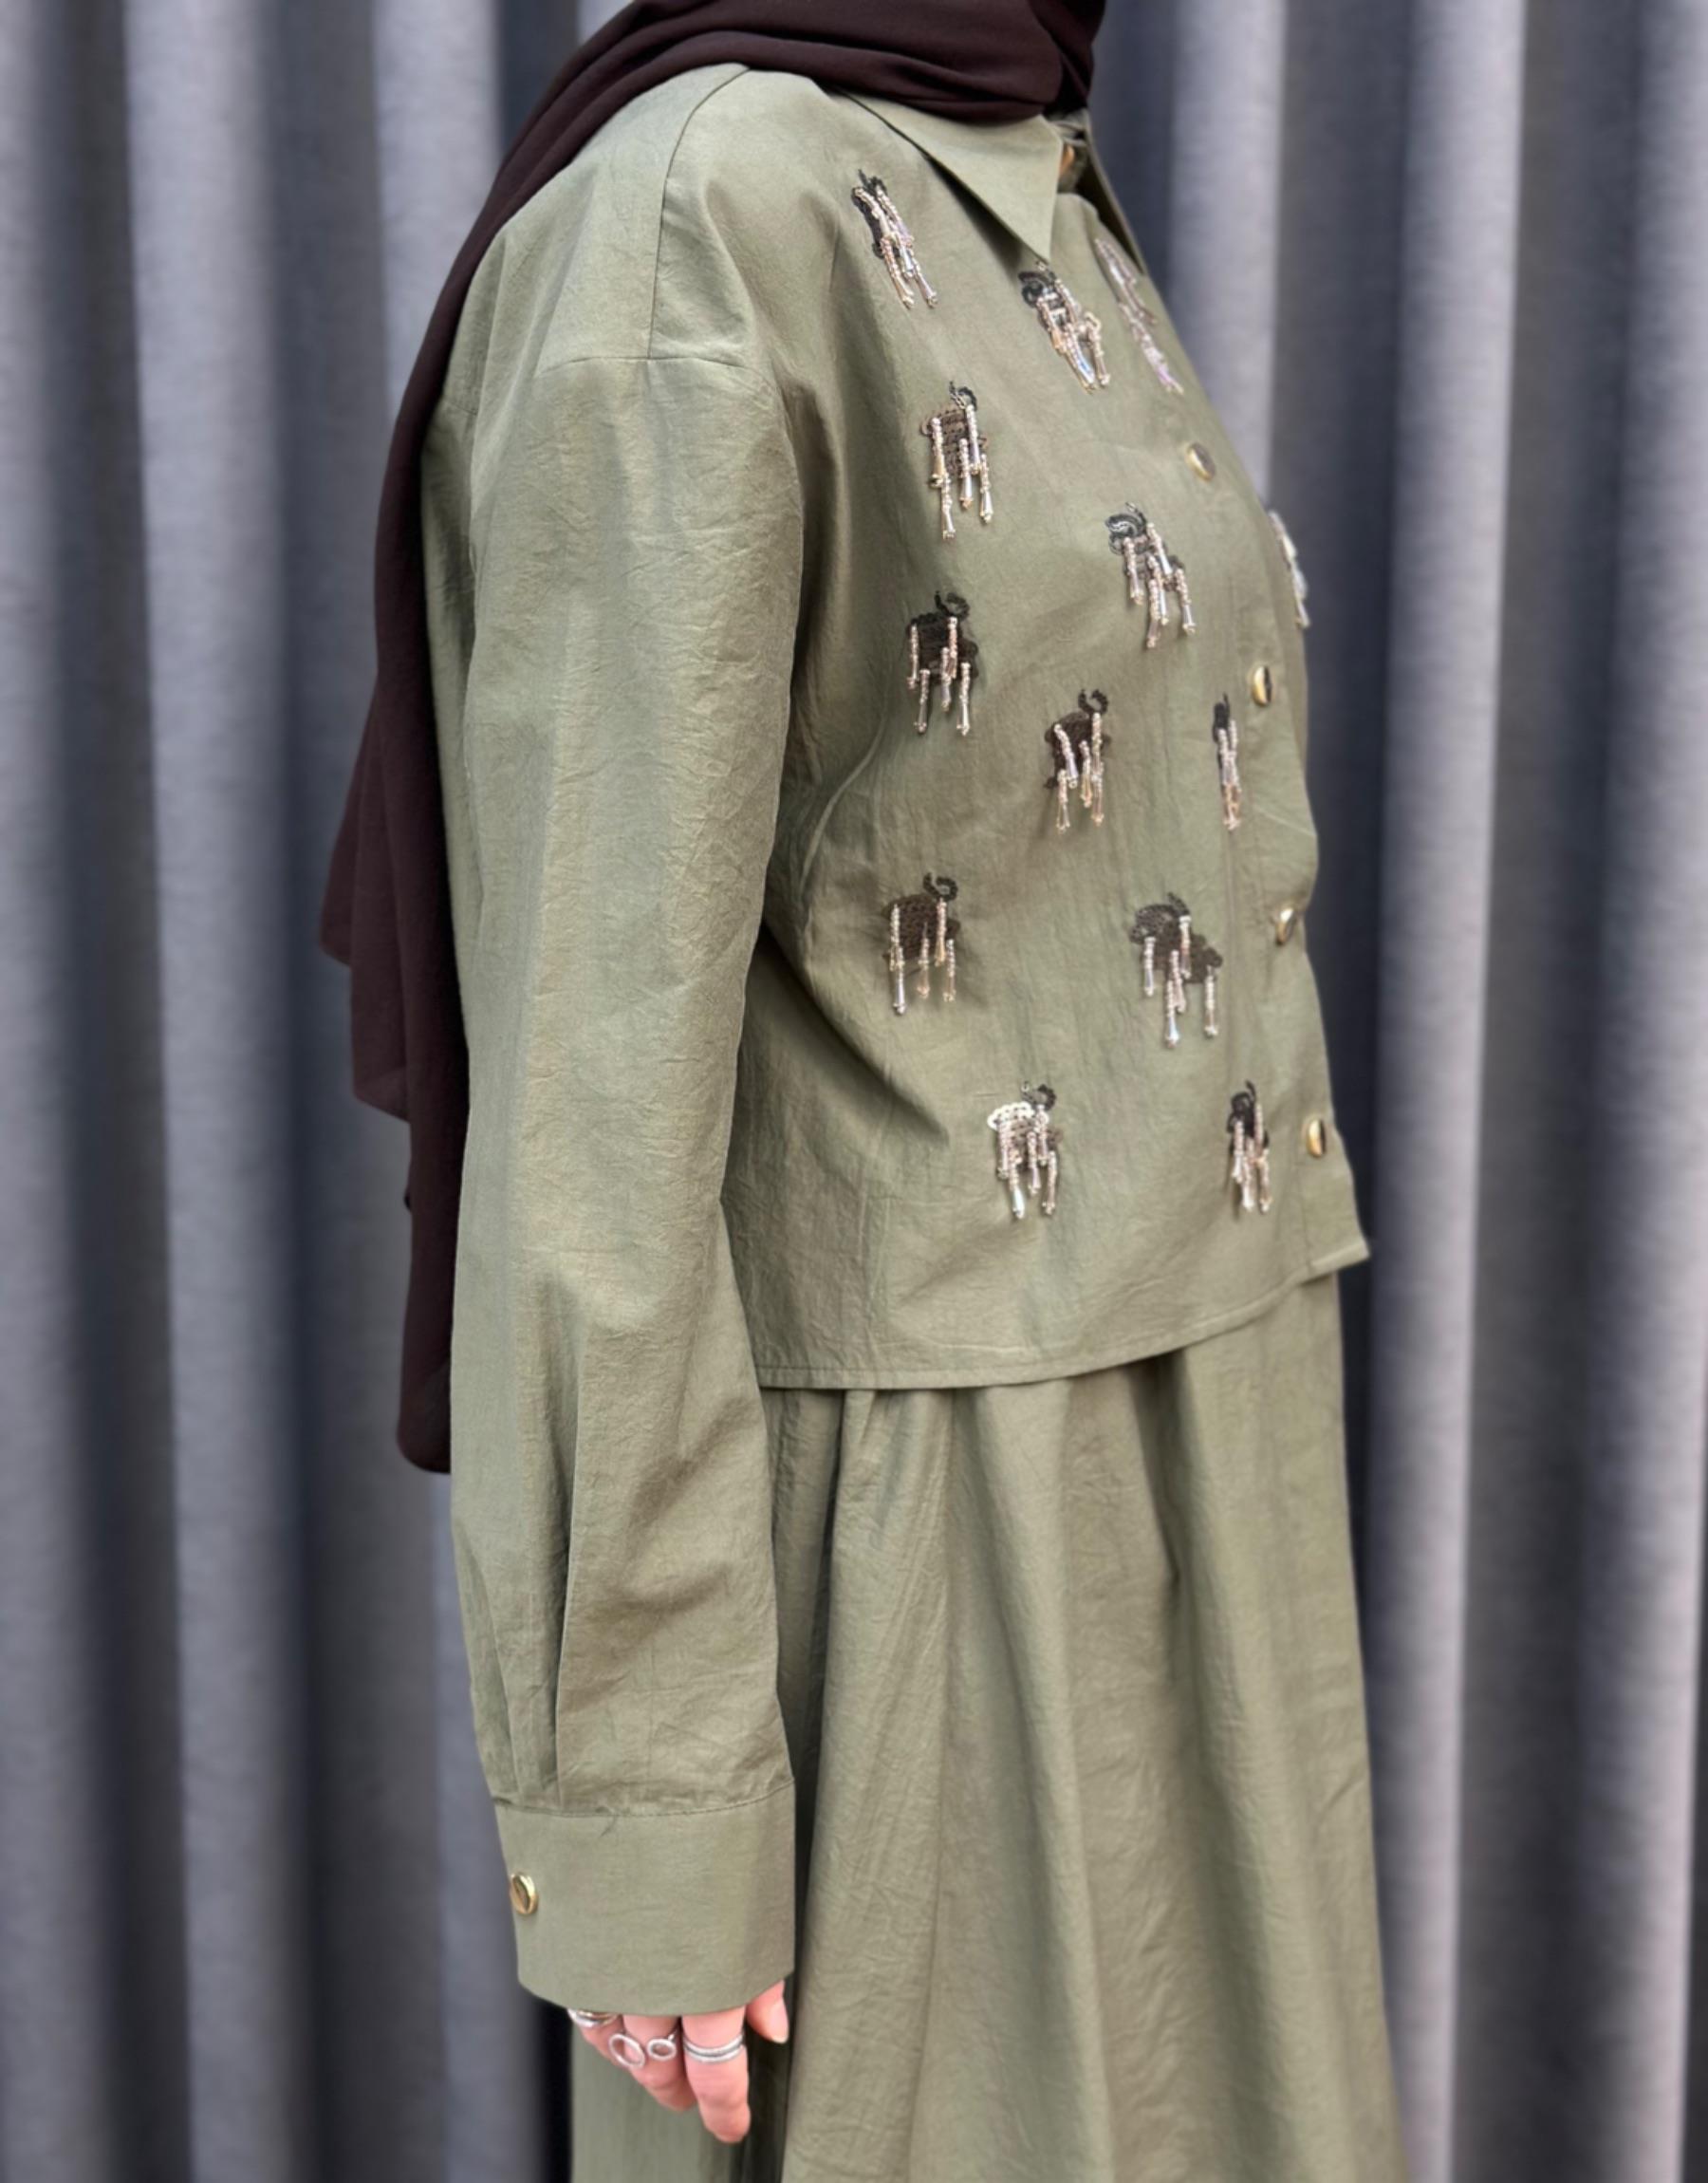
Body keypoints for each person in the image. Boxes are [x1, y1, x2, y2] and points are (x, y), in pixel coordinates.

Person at [319, 2, 1411, 2174]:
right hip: (932, 1591)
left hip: (1204, 1499)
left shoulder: (1022, 160)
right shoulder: (702, 218)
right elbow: (595, 1113)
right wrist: (649, 1797)